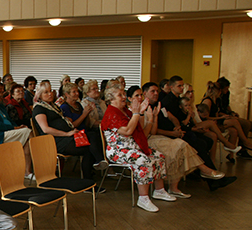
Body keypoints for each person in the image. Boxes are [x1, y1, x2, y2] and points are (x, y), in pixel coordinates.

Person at [129, 86, 224, 199]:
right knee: (179, 146)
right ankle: (204, 170)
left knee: (181, 145)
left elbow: (153, 131)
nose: (140, 98)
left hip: (152, 137)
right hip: (143, 141)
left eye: (141, 95)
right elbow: (142, 135)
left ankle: (176, 187)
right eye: (136, 95)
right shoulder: (131, 111)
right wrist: (149, 119)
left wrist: (154, 117)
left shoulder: (147, 108)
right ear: (129, 98)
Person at [101, 85, 175, 213]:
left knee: (158, 156)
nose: (124, 97)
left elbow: (140, 131)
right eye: (120, 95)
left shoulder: (126, 111)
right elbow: (128, 131)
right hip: (118, 151)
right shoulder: (111, 114)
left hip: (133, 147)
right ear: (111, 99)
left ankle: (159, 190)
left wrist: (146, 116)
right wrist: (137, 113)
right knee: (142, 160)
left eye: (124, 94)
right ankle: (143, 198)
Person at [32, 82, 107, 182]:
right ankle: (88, 181)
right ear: (40, 95)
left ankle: (99, 160)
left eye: (50, 91)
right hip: (55, 140)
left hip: (67, 136)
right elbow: (45, 129)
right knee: (88, 149)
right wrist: (67, 133)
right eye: (46, 92)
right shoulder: (39, 108)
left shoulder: (53, 106)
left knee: (93, 135)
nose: (50, 94)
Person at [0, 85, 33, 176]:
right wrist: (14, 128)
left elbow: (9, 121)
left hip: (8, 131)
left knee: (27, 140)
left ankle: (27, 171)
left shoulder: (0, 106)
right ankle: (34, 164)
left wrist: (18, 127)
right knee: (27, 132)